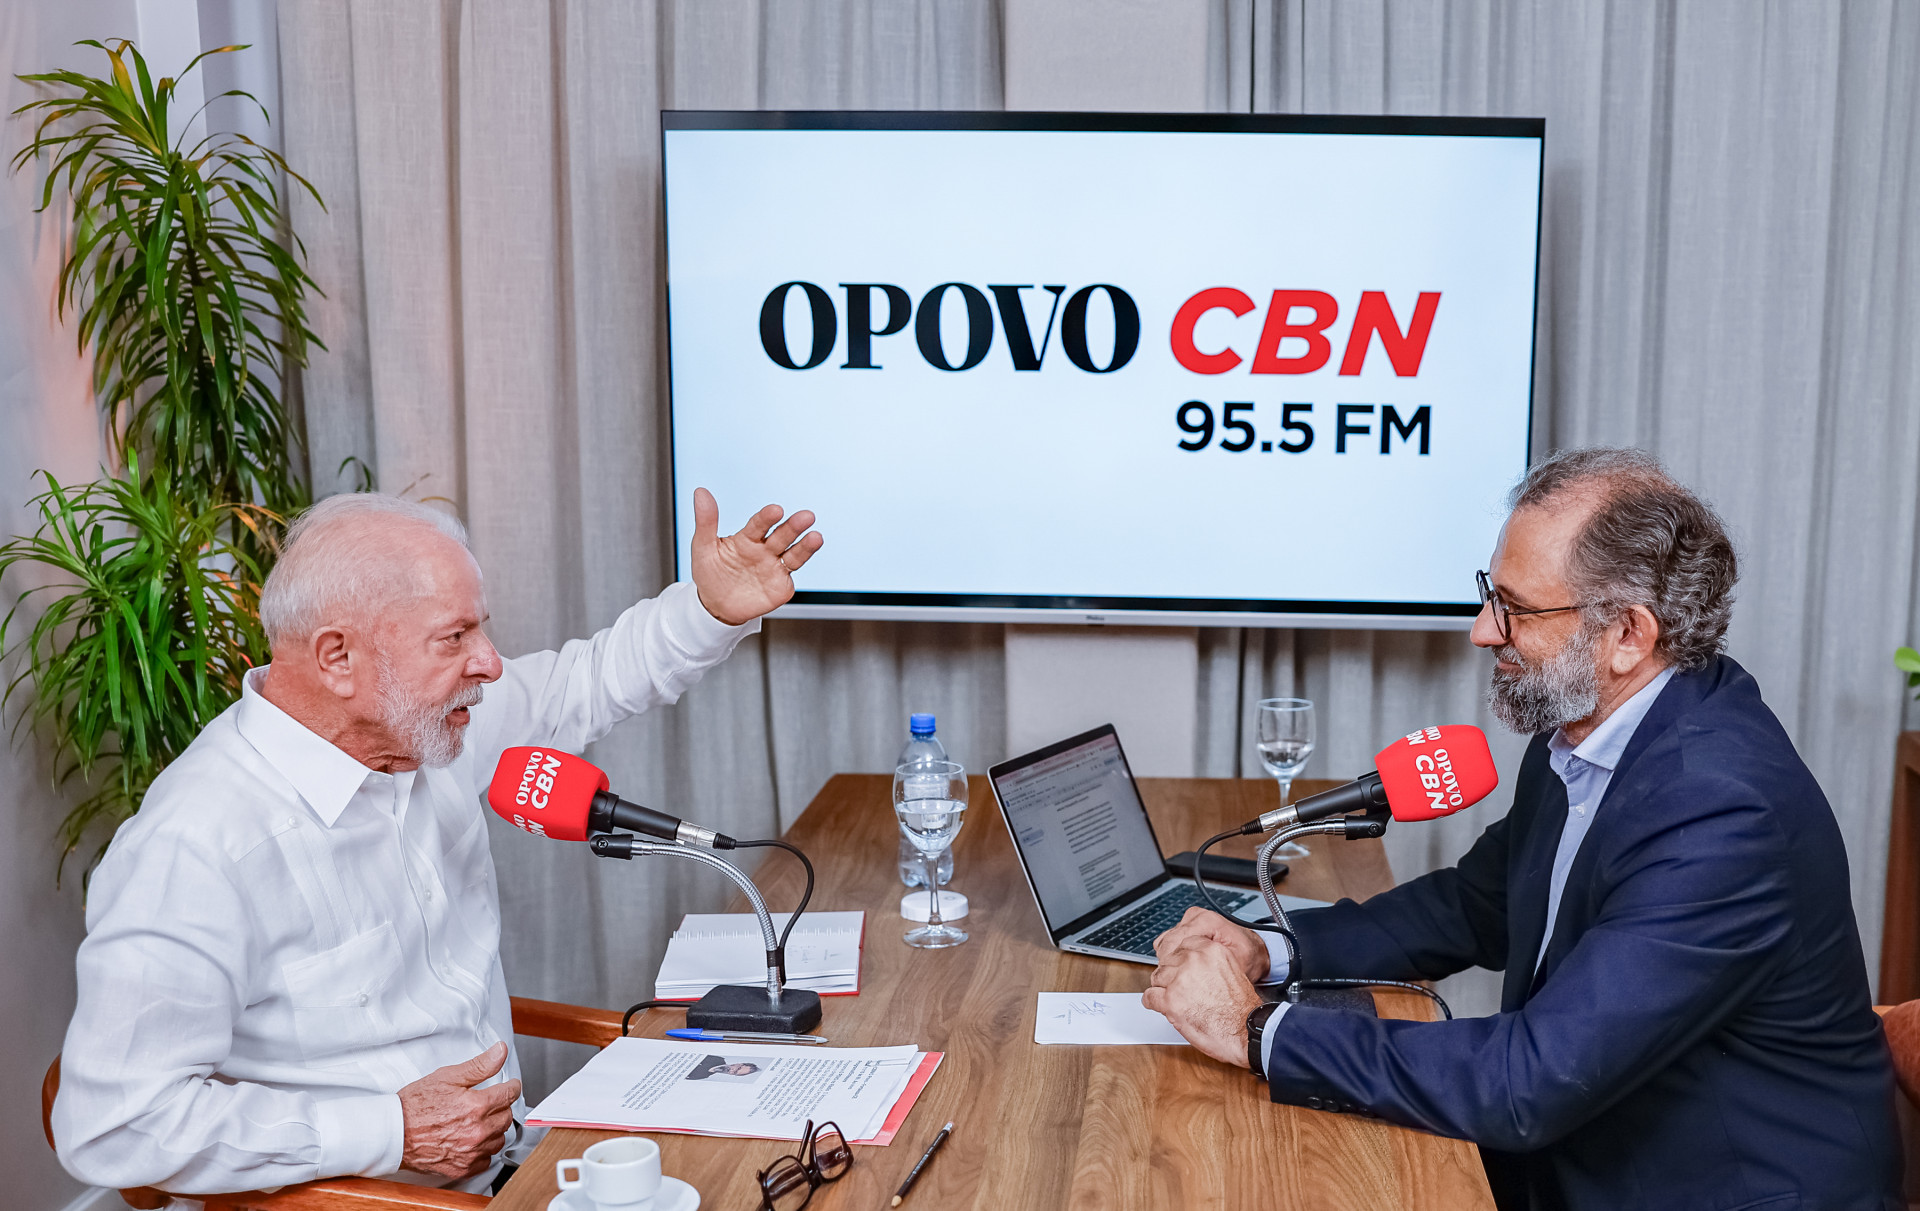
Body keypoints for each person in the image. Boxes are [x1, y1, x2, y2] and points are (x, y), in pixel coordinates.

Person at [1144, 448, 1901, 1210]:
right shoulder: (1585, 730)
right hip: (1583, 1146)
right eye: (1488, 593)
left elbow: (1532, 1080)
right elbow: (1476, 905)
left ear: (1628, 635)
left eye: (1516, 607)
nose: (1482, 630)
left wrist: (1252, 1028)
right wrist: (1273, 949)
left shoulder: (1722, 812)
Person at [52, 487, 821, 1201]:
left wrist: (709, 611)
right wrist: (391, 1130)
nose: (487, 661)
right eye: (454, 636)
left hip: (511, 1174)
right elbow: (111, 1121)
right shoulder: (196, 844)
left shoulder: (427, 727)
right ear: (336, 657)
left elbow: (581, 685)